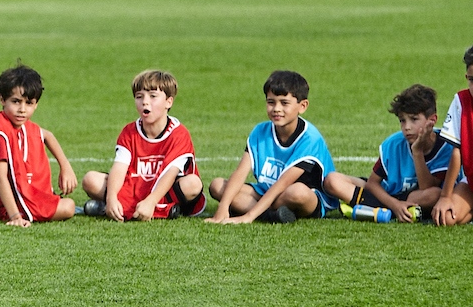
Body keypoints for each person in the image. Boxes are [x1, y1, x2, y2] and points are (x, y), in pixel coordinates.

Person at [207, 70, 339, 224]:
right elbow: (240, 172)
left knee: (297, 192)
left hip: (304, 196)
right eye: (271, 102)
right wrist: (223, 207)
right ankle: (272, 216)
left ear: (302, 106)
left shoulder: (310, 138)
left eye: (284, 103)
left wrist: (247, 217)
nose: (276, 108)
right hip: (267, 190)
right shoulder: (260, 131)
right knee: (217, 186)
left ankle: (259, 212)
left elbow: (283, 184)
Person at [82, 69, 206, 221]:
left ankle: (151, 208)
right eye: (139, 97)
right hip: (135, 186)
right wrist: (111, 198)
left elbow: (170, 173)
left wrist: (151, 201)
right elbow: (119, 168)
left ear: (169, 101)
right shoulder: (129, 131)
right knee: (90, 180)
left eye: (153, 96)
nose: (145, 102)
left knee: (193, 184)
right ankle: (160, 210)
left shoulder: (179, 133)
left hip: (165, 190)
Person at [0, 64, 77, 226]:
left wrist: (65, 167)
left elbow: (46, 135)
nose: (22, 109)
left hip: (9, 198)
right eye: (16, 102)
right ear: (2, 99)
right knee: (68, 207)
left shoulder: (19, 124)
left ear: (36, 104)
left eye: (29, 103)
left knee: (64, 203)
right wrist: (15, 216)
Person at [323, 84, 452, 223]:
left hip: (413, 197)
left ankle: (371, 210)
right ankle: (394, 212)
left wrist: (417, 152)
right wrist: (394, 205)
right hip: (385, 193)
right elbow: (372, 184)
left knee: (435, 194)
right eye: (402, 120)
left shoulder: (445, 146)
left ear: (432, 120)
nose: (407, 127)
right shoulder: (394, 143)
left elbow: (427, 188)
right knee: (332, 180)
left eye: (414, 119)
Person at [430, 46, 473, 226]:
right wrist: (445, 196)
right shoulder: (461, 102)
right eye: (472, 80)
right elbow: (457, 152)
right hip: (471, 181)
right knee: (446, 218)